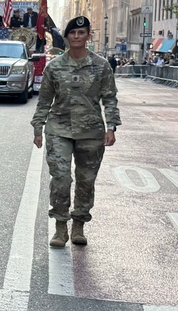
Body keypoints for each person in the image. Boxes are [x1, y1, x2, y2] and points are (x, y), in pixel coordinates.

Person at [31, 15, 120, 249]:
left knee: (85, 180)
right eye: (73, 33)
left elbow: (109, 98)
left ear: (88, 36)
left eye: (82, 33)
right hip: (59, 129)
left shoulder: (101, 66)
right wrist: (38, 128)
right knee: (61, 178)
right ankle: (61, 225)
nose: (77, 36)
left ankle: (79, 223)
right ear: (67, 36)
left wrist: (111, 126)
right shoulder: (55, 66)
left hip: (91, 132)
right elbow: (44, 101)